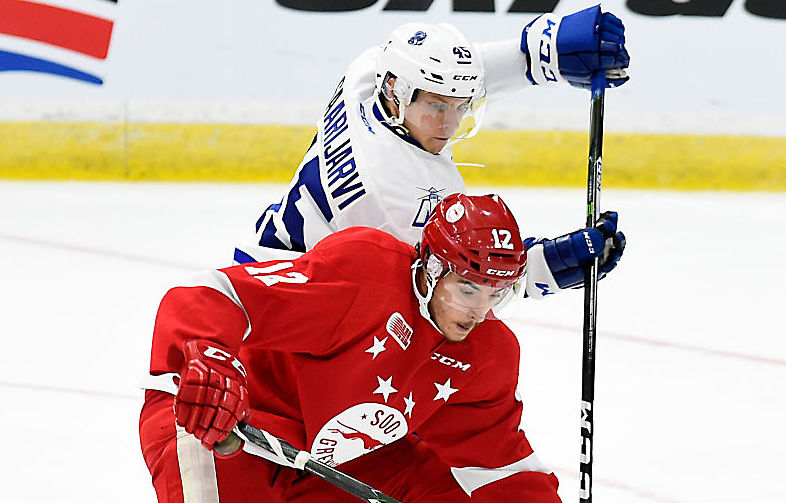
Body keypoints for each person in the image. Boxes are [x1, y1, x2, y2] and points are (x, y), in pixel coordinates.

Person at [139, 193, 610, 502]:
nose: (480, 312)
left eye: (496, 294)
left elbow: (499, 466)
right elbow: (211, 291)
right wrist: (209, 357)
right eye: (468, 289)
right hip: (222, 422)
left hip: (328, 461)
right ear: (430, 269)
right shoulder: (362, 275)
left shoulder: (488, 353)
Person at [233, 6, 629, 298]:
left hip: (265, 272)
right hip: (284, 314)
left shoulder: (367, 76)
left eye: (460, 107)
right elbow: (458, 289)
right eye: (437, 107)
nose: (450, 125)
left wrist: (538, 54)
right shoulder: (395, 194)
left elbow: (454, 77)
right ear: (397, 92)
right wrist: (549, 266)